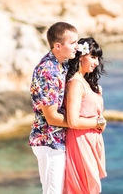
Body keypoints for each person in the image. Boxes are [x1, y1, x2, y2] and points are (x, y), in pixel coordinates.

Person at [29, 22, 78, 194]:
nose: (77, 47)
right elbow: (52, 118)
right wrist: (84, 123)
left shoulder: (61, 64)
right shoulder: (47, 71)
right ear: (58, 46)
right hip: (48, 142)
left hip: (58, 141)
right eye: (73, 43)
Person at [63, 37, 107, 194]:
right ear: (81, 56)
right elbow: (73, 121)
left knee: (89, 187)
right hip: (80, 140)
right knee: (82, 188)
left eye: (98, 58)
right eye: (93, 57)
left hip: (90, 140)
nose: (96, 63)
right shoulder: (76, 83)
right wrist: (98, 122)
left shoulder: (87, 82)